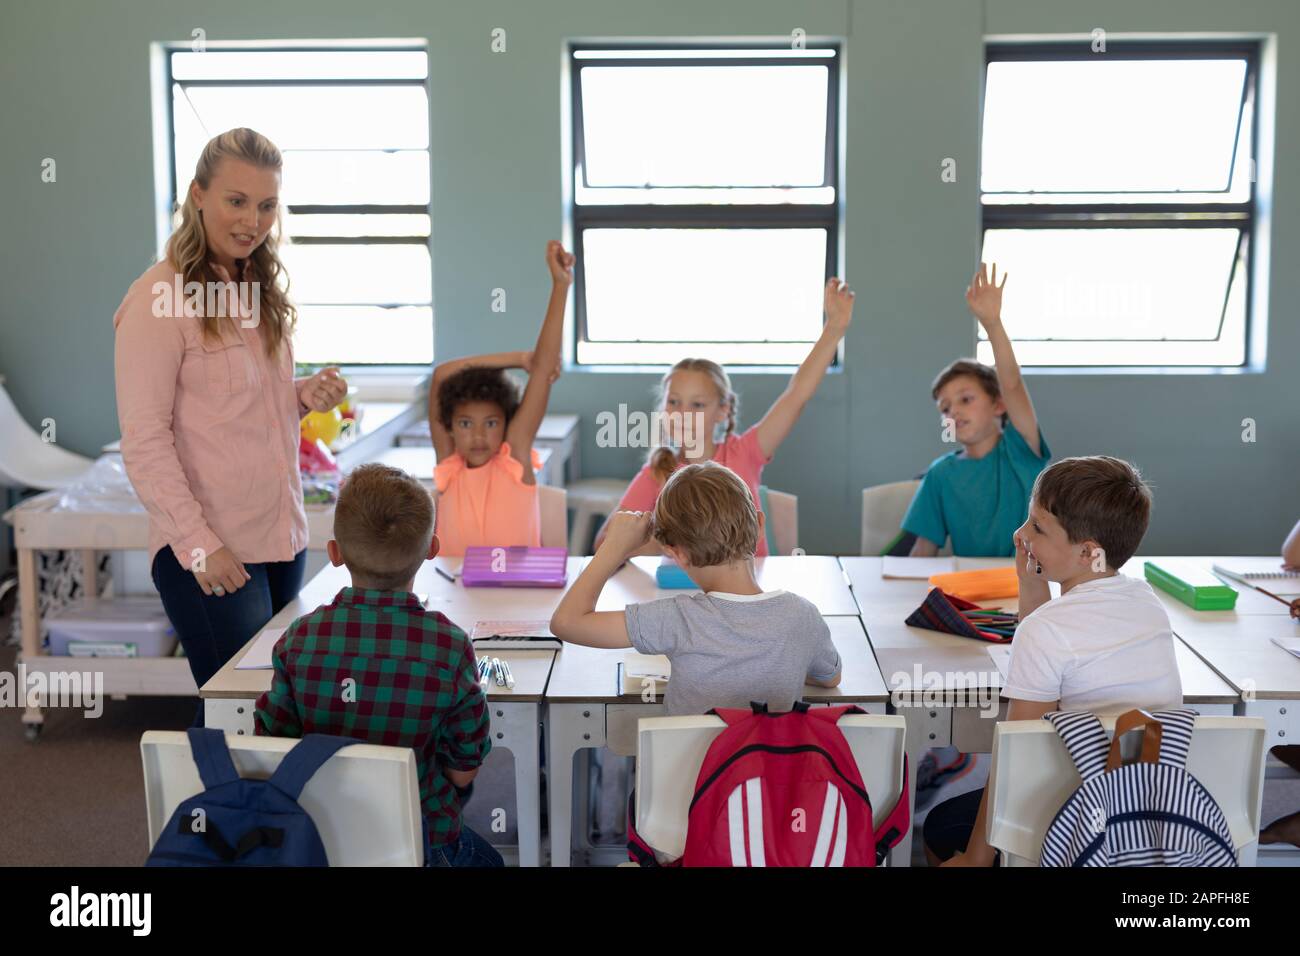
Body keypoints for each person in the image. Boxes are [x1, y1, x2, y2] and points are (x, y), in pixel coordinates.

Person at [113, 128, 346, 718]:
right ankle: (204, 814)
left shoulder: (253, 288)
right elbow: (144, 443)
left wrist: (302, 396)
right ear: (198, 195)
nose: (253, 220)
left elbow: (245, 410)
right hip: (212, 551)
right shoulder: (156, 300)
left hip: (278, 538)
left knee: (263, 711)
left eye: (267, 205)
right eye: (236, 201)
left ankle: (239, 812)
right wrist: (200, 548)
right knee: (239, 710)